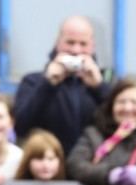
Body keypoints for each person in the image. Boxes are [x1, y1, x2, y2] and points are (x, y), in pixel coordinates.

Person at [13, 15, 109, 154]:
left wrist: (99, 88)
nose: (76, 50)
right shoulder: (32, 82)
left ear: (92, 47)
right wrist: (47, 84)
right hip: (47, 168)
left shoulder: (104, 85)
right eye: (70, 42)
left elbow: (120, 127)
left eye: (83, 44)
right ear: (57, 44)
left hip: (89, 168)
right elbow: (21, 127)